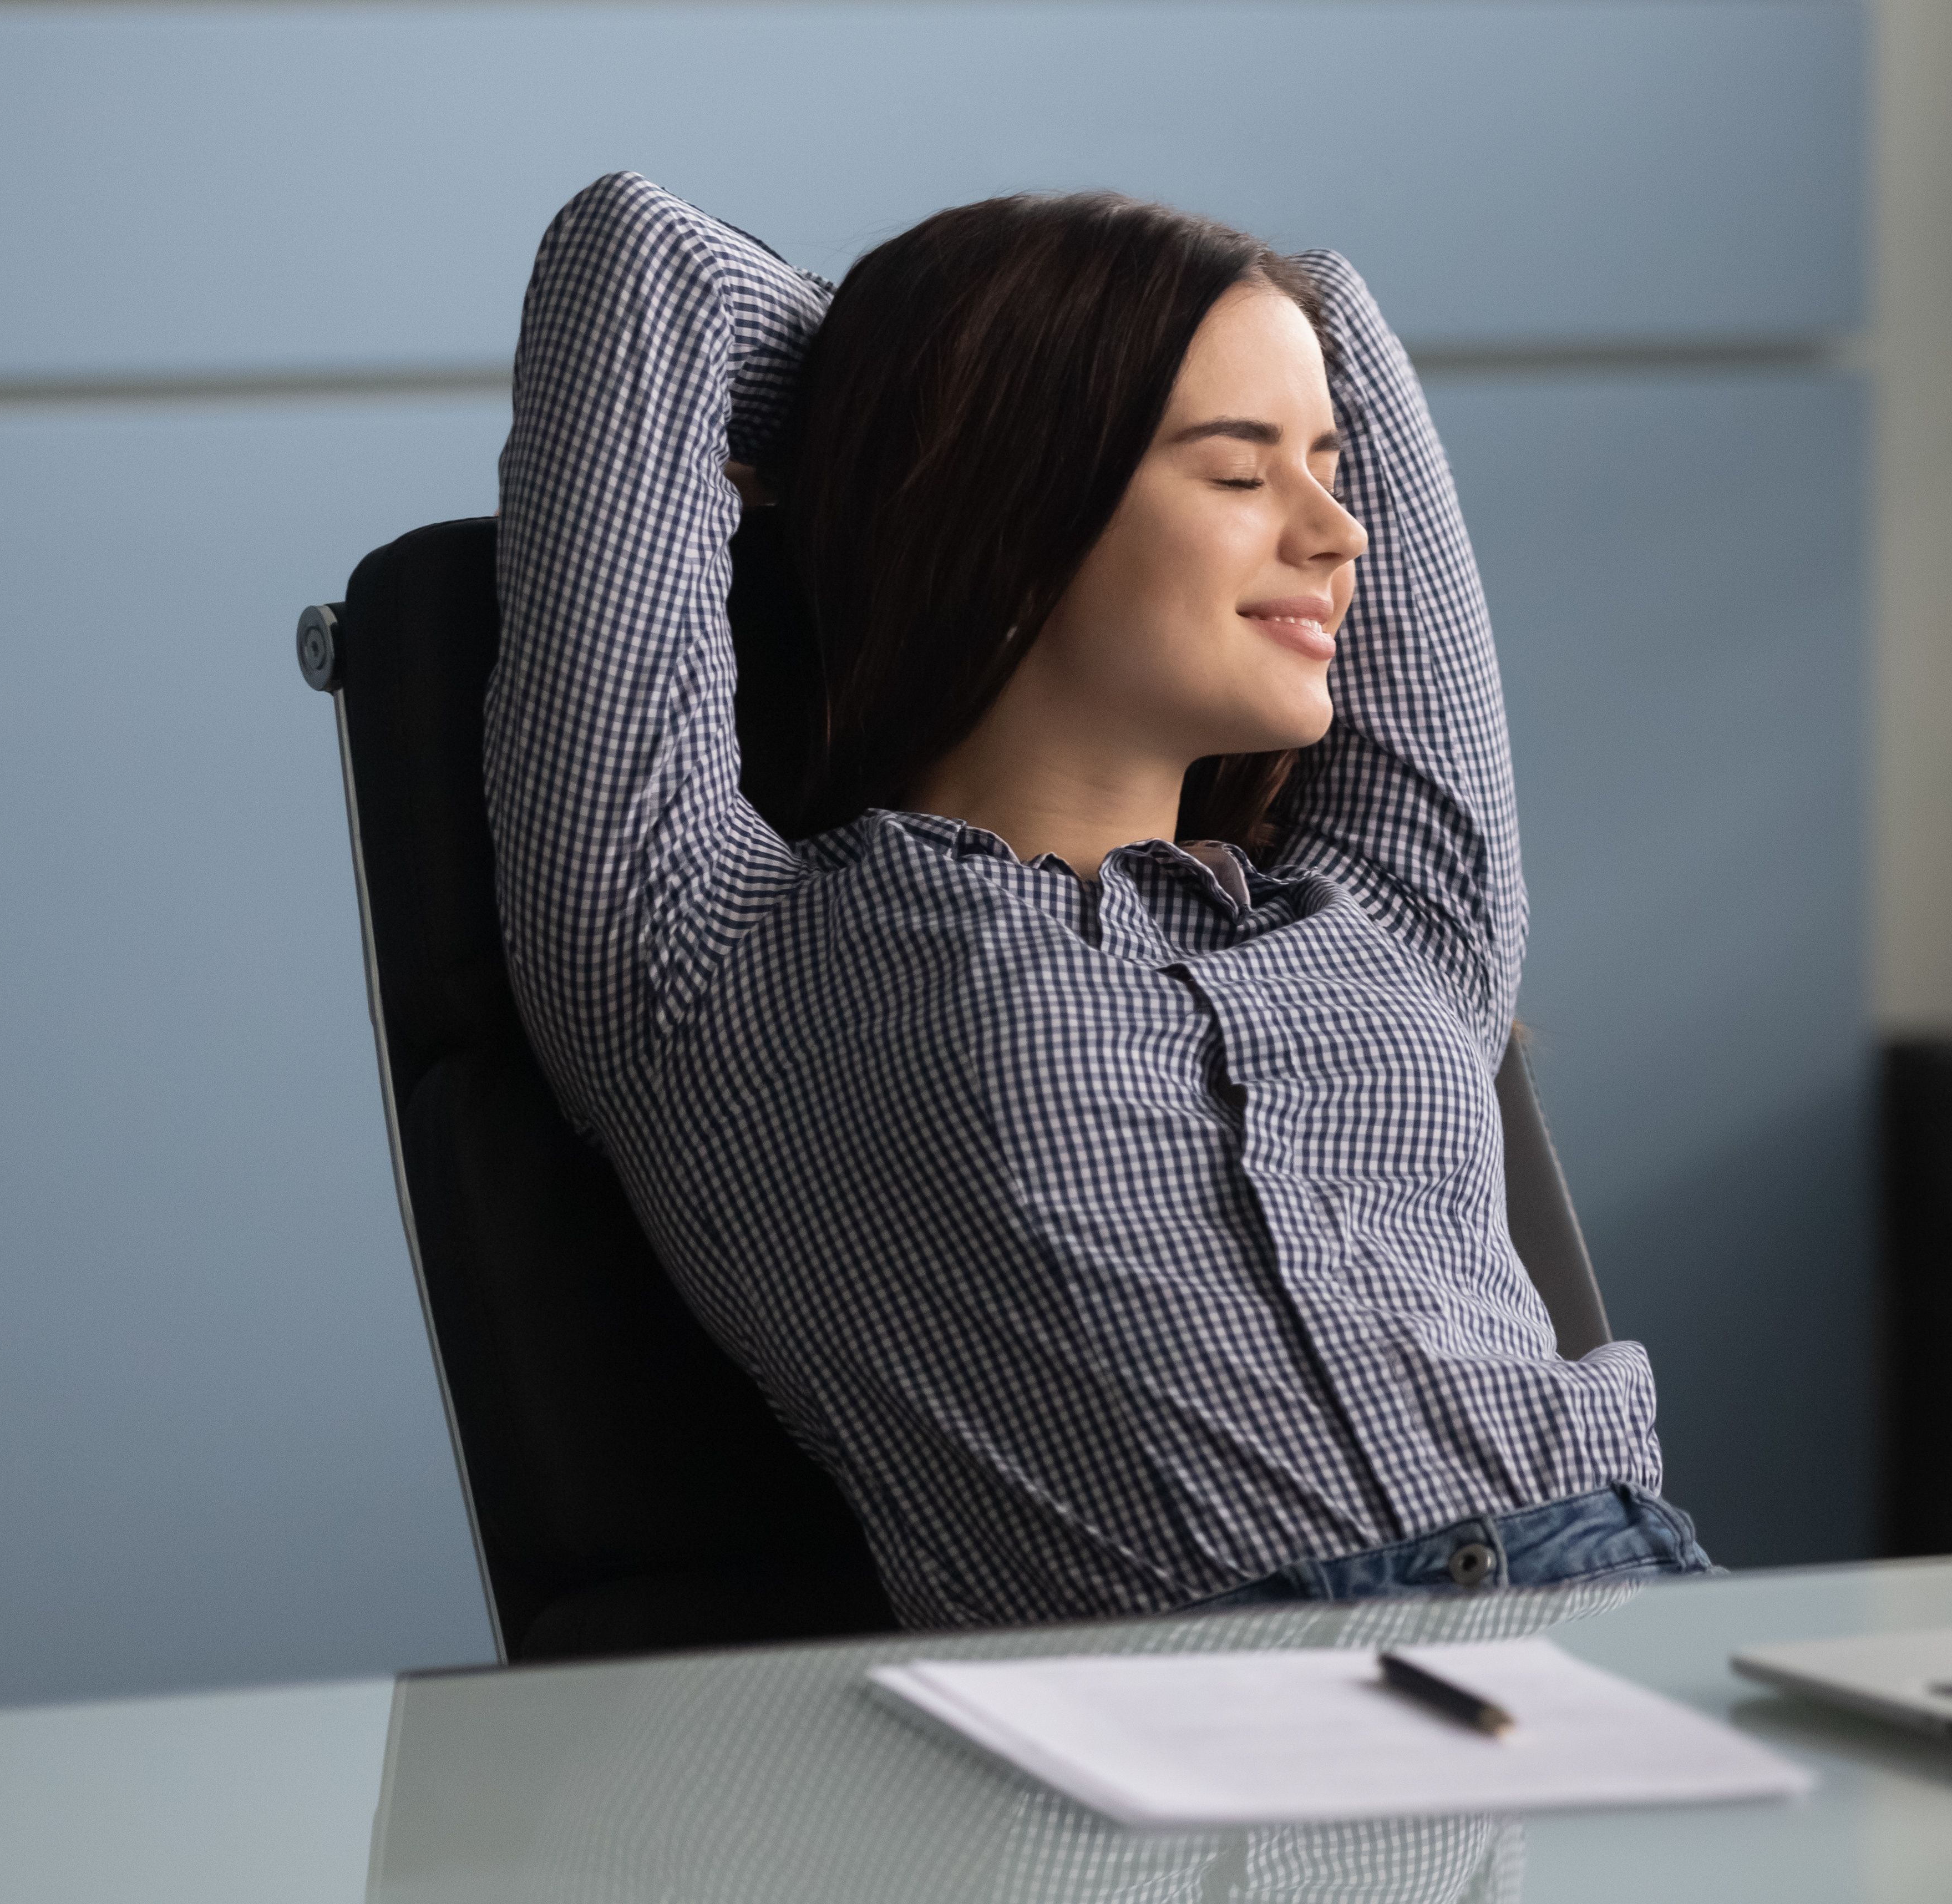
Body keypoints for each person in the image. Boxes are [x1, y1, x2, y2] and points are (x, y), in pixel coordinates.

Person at [488, 171, 1706, 1629]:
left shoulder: (1398, 917)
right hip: (1209, 1722)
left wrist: (1006, 400)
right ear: (1004, 507)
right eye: (1242, 473)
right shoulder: (697, 957)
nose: (1339, 533)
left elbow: (1351, 333)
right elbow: (641, 268)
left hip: (1637, 1612)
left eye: (1324, 469)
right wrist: (929, 402)